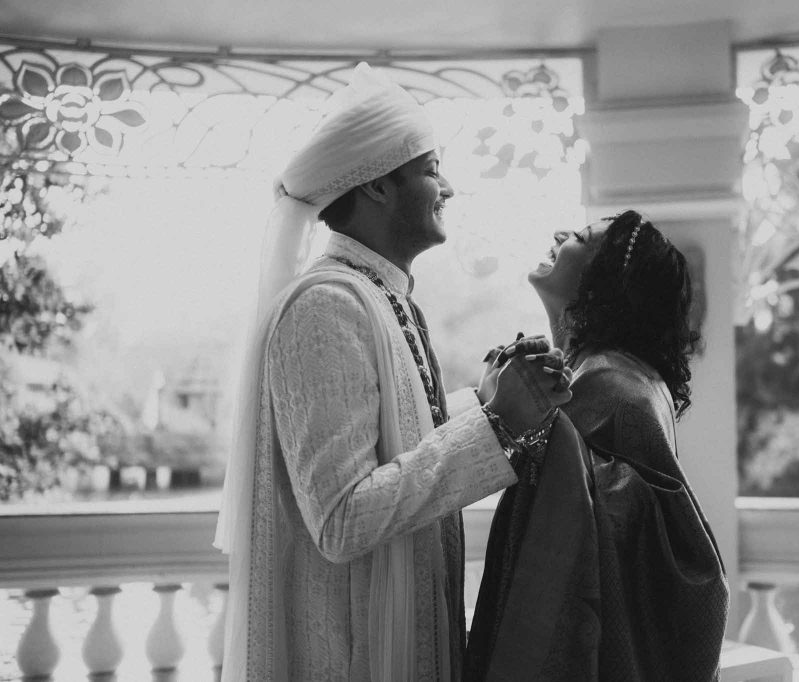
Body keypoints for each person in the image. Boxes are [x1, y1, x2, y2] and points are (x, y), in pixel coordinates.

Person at [214, 63, 569, 682]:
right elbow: (342, 517)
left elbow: (394, 440)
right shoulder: (326, 306)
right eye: (432, 169)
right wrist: (494, 423)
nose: (448, 188)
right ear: (378, 187)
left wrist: (481, 402)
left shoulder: (382, 297)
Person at [465, 209, 728, 681]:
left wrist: (506, 413)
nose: (557, 233)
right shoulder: (609, 371)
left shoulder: (610, 381)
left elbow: (618, 518)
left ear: (604, 278)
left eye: (579, 236)